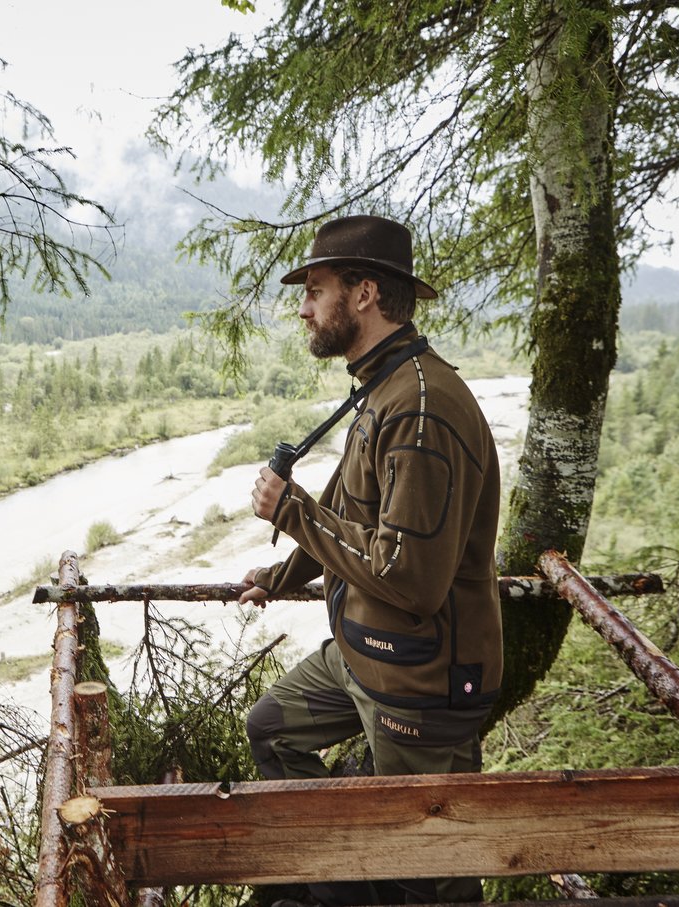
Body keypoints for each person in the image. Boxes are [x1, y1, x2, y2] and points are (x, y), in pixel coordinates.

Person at [239, 215, 503, 906]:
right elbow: (349, 507)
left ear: (363, 294)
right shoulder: (383, 384)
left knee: (426, 862)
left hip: (419, 673)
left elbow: (408, 579)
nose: (303, 306)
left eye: (316, 288)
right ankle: (349, 860)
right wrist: (279, 576)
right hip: (366, 652)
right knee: (270, 726)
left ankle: (369, 873)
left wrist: (288, 511)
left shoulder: (419, 407)